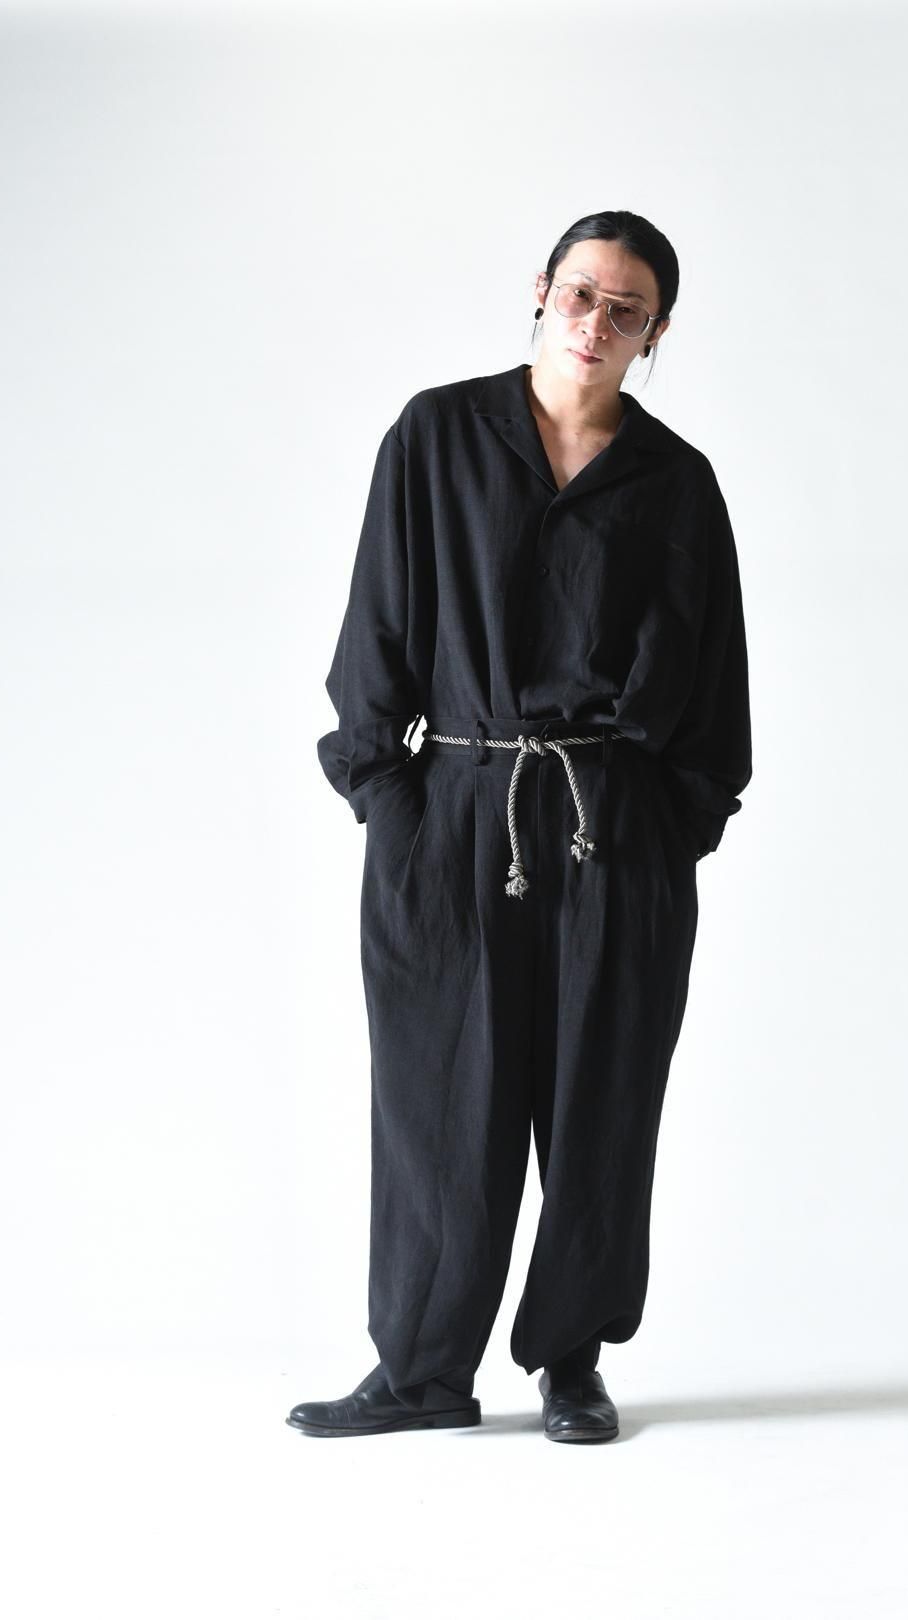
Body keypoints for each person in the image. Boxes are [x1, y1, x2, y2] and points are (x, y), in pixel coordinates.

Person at [286, 210, 752, 1443]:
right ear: (542, 289)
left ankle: (572, 1360)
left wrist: (661, 835)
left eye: (627, 309)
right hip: (453, 822)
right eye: (583, 293)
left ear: (655, 333)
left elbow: (716, 698)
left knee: (603, 1099)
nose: (597, 322)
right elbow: (376, 634)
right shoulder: (437, 436)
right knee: (438, 1098)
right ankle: (421, 1373)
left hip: (613, 832)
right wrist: (395, 810)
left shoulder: (677, 485)